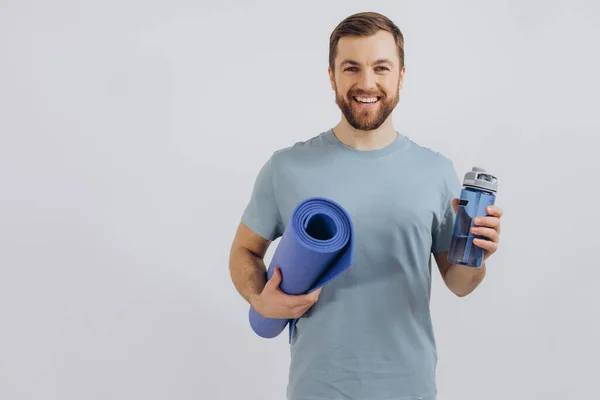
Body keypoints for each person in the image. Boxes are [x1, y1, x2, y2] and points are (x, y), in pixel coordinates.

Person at [229, 11, 503, 400]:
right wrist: (259, 297)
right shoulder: (285, 168)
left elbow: (458, 284)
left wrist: (479, 256)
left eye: (381, 68)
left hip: (409, 387)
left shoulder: (436, 172)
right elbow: (243, 250)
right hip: (317, 388)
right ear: (331, 76)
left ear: (401, 77)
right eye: (351, 68)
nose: (367, 83)